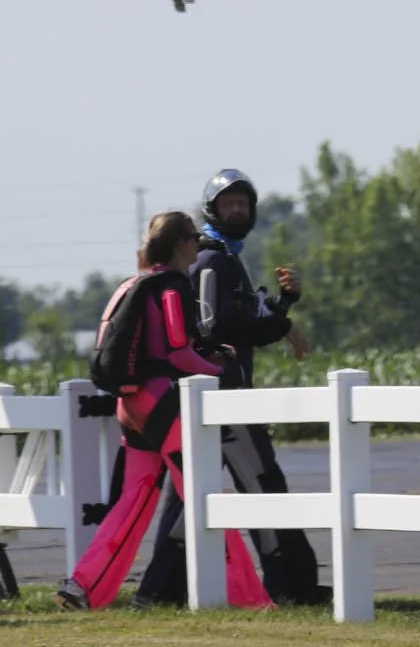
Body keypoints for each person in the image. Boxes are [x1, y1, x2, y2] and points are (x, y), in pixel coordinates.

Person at [133, 169, 327, 608]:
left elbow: (241, 322)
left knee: (190, 497)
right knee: (263, 486)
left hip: (217, 399)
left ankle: (158, 592)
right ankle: (291, 587)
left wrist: (282, 308)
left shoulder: (224, 257)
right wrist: (281, 324)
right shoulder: (212, 258)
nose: (238, 210)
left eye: (243, 203)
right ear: (212, 209)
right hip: (223, 399)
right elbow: (212, 326)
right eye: (229, 203)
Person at [60, 212, 272, 612]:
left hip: (130, 404)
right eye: (193, 237)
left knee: (133, 501)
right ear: (180, 244)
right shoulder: (173, 287)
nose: (198, 243)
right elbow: (177, 350)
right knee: (205, 493)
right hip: (161, 405)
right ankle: (248, 596)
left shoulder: (133, 283)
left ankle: (84, 587)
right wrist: (220, 369)